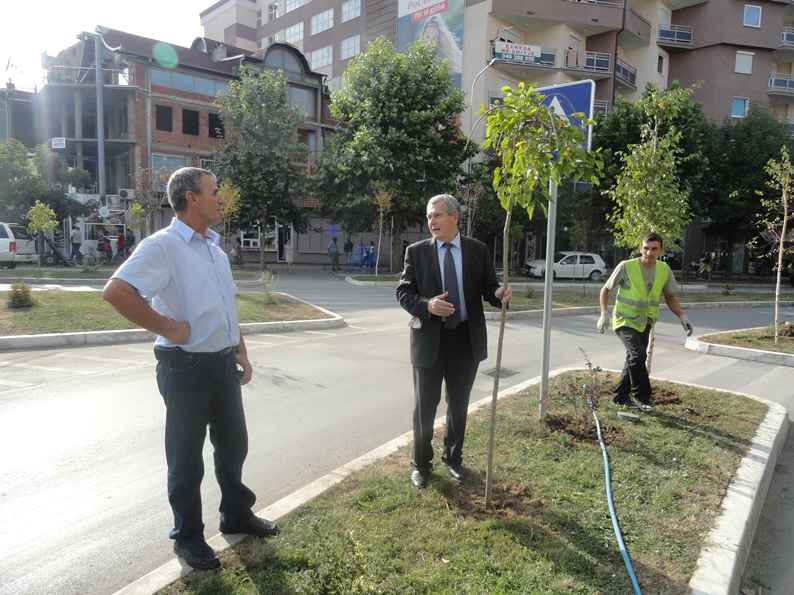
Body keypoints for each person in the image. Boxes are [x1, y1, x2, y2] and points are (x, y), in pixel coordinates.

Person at [102, 167, 278, 571]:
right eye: (214, 192)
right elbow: (117, 291)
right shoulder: (162, 246)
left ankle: (236, 515)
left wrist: (242, 351)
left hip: (221, 365)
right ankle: (188, 537)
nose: (221, 198)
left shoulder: (214, 249)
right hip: (184, 368)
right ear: (191, 198)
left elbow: (226, 308)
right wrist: (167, 327)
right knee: (186, 458)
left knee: (234, 446)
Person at [396, 193, 512, 489]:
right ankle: (421, 464)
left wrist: (499, 295)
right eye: (429, 216)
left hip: (465, 340)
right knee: (425, 407)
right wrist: (427, 305)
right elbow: (404, 293)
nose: (431, 221)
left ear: (454, 217)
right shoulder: (417, 252)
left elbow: (489, 288)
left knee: (458, 405)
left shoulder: (477, 250)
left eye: (436, 215)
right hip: (429, 342)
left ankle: (453, 458)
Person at [597, 232, 693, 411]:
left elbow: (670, 297)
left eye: (654, 249)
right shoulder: (626, 266)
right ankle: (642, 396)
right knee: (638, 355)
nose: (649, 252)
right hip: (624, 320)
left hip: (646, 321)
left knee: (633, 358)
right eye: (646, 248)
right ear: (640, 248)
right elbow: (605, 289)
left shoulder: (664, 270)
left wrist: (682, 317)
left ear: (660, 250)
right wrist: (604, 313)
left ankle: (620, 396)